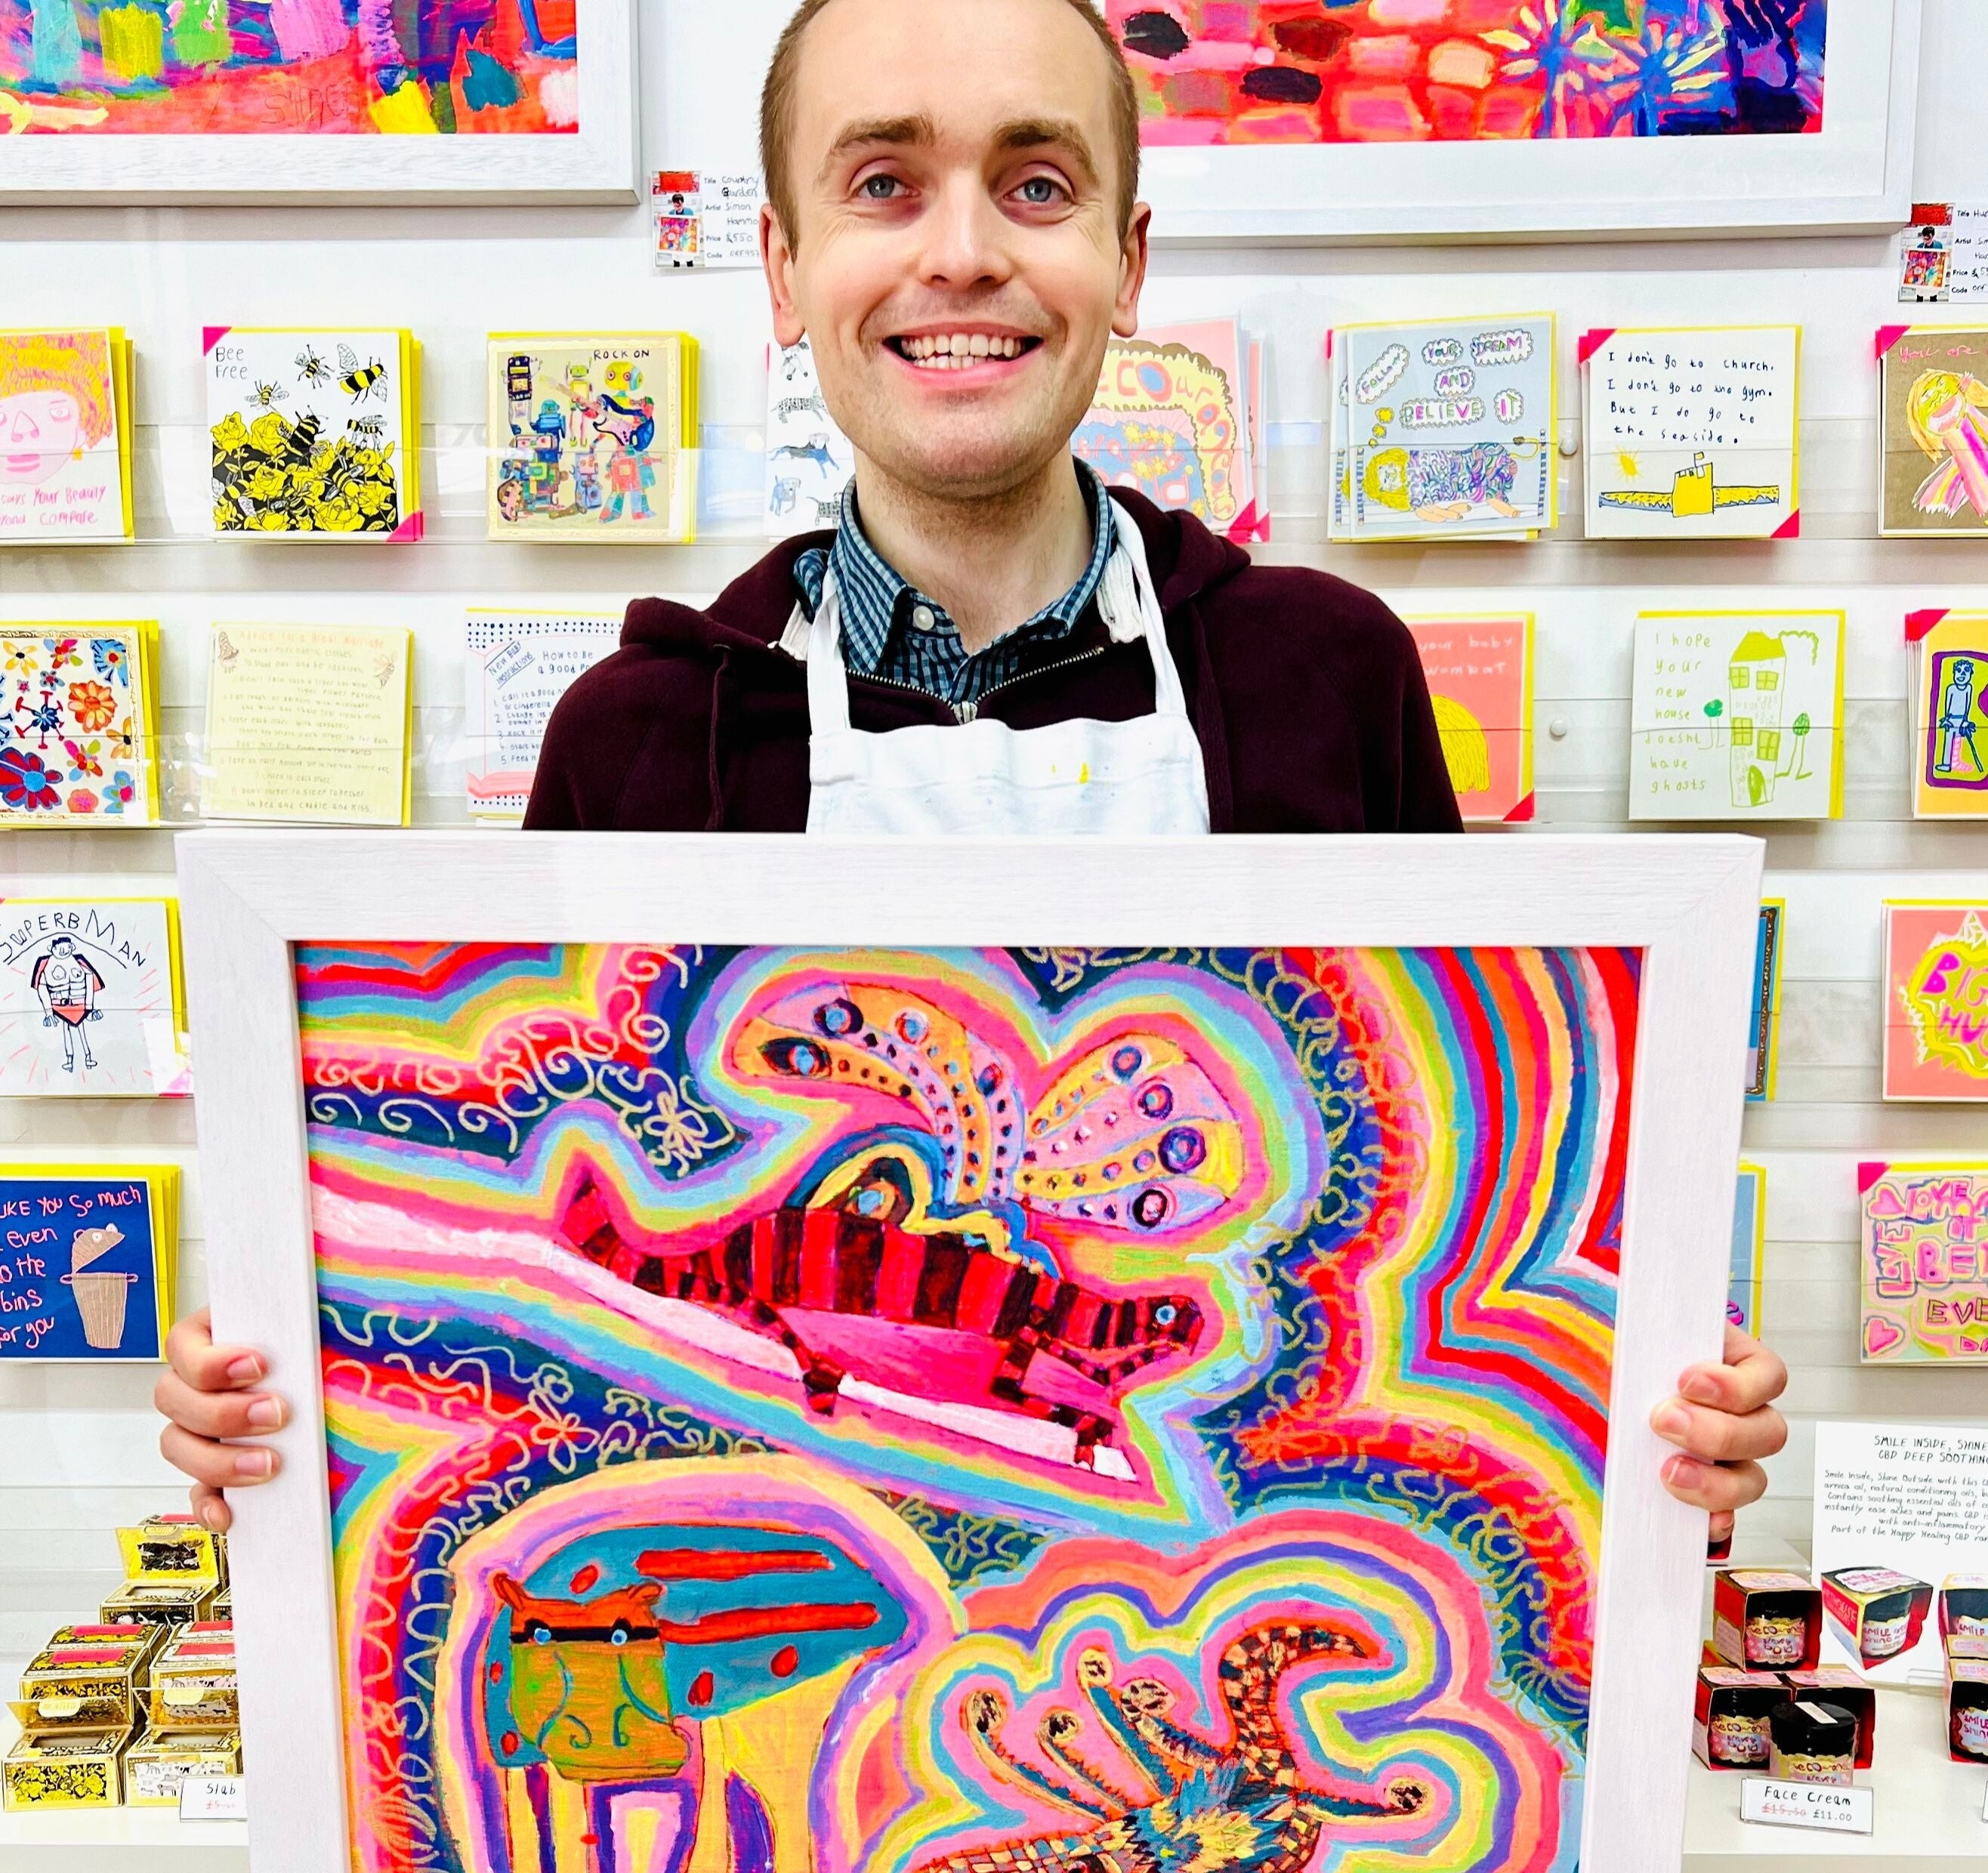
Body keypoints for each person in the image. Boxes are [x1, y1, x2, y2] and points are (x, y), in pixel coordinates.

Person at [154, 0, 1785, 1538]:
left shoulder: (1324, 671)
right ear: (782, 270)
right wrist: (305, 1387)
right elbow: (542, 1251)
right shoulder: (639, 731)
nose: (960, 252)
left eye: (1035, 182)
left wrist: (1639, 1407)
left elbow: (1455, 1184)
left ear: (1125, 260)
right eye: (883, 183)